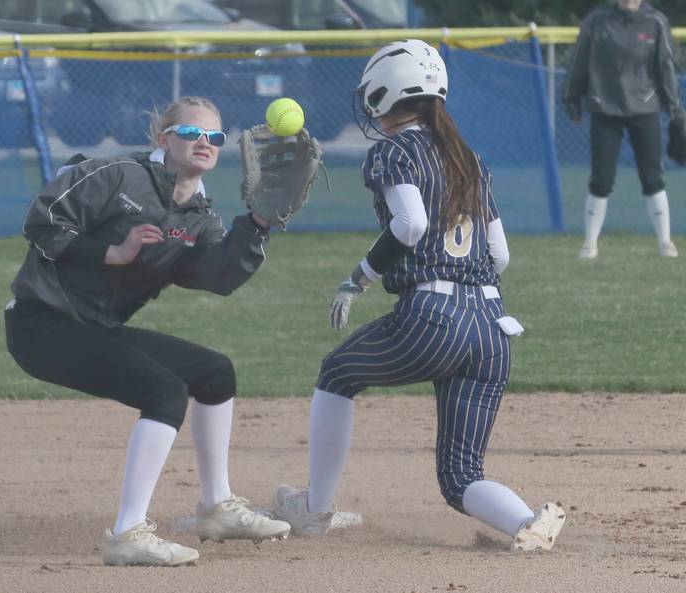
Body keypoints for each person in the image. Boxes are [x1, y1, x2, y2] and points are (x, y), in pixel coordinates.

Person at [271, 40, 567, 551]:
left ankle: (315, 508)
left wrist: (357, 279)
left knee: (337, 373)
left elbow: (411, 224)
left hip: (435, 316)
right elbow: (500, 255)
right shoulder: (468, 157)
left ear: (385, 94)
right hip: (493, 327)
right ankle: (527, 522)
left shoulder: (394, 149)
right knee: (460, 477)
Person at [4, 96, 290, 567]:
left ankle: (217, 507)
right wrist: (110, 252)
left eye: (215, 138)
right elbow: (42, 219)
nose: (205, 142)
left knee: (215, 373)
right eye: (192, 133)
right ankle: (127, 532)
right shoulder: (118, 174)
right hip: (42, 323)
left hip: (95, 327)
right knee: (164, 393)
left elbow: (219, 276)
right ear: (164, 139)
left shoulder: (198, 217)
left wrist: (257, 224)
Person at [563, 0, 681, 259]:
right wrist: (572, 96)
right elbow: (579, 60)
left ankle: (665, 242)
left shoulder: (655, 21)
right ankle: (590, 243)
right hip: (605, 107)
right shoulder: (597, 21)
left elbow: (665, 66)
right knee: (601, 179)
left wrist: (674, 107)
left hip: (645, 108)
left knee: (653, 177)